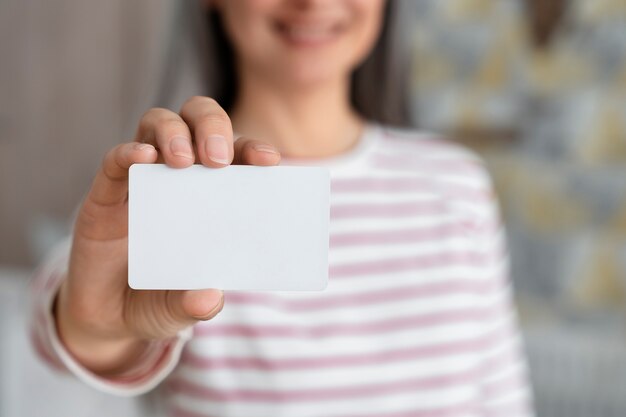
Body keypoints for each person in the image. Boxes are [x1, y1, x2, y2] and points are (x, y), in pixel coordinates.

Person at [31, 1, 533, 416]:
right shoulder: (167, 189)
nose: (313, 3)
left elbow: (504, 398)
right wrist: (91, 329)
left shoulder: (457, 183)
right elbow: (71, 321)